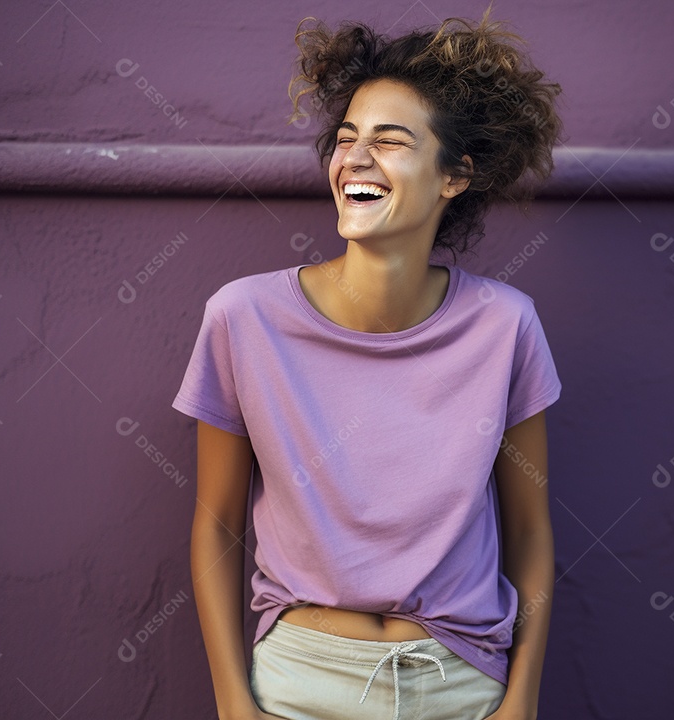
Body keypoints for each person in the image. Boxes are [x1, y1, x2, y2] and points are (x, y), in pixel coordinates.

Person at [173, 6, 564, 719]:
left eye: (389, 142)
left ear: (455, 176)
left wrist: (521, 701)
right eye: (346, 138)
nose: (355, 157)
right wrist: (234, 703)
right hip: (298, 684)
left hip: (463, 684)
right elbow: (216, 523)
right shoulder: (243, 318)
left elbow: (532, 533)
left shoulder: (506, 325)